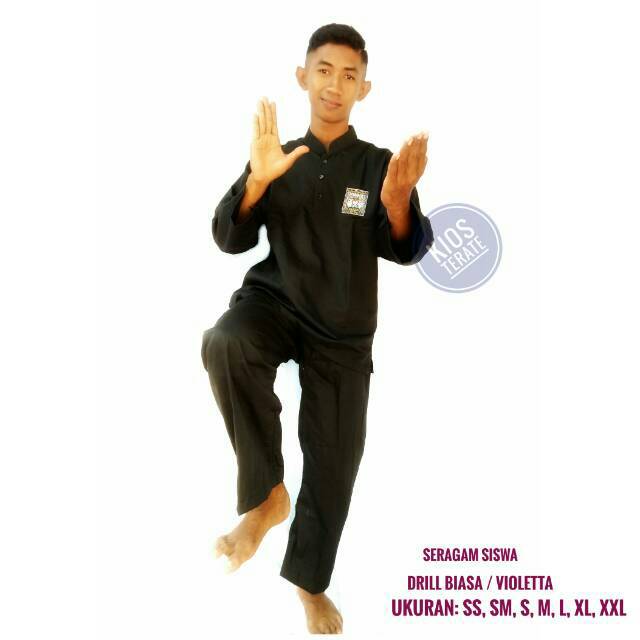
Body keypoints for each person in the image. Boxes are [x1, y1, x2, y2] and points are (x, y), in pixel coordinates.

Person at [201, 23, 433, 634]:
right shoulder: (276, 156)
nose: (335, 84)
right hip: (275, 306)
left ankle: (309, 583)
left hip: (343, 332)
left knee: (335, 459)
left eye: (349, 75)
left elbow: (406, 248)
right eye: (324, 70)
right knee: (226, 340)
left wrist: (398, 201)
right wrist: (258, 180)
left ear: (364, 89)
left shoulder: (378, 165)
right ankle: (265, 498)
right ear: (303, 77)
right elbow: (228, 237)